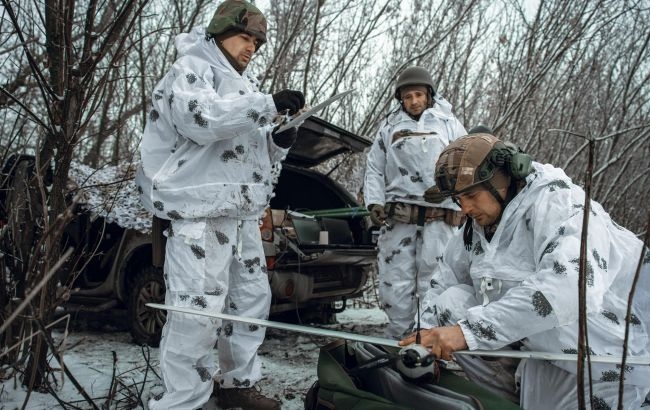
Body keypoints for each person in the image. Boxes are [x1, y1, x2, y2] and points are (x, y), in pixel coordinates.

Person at [135, 1, 305, 409]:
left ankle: (236, 386)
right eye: (245, 38)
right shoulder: (190, 69)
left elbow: (242, 149)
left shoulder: (240, 84)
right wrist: (268, 104)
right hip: (200, 213)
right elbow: (203, 120)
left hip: (240, 213)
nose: (252, 48)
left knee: (249, 304)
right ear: (219, 33)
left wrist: (276, 142)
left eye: (257, 43)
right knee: (197, 312)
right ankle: (184, 401)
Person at [400, 133, 650, 409]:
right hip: (545, 353)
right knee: (451, 301)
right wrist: (420, 338)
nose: (465, 208)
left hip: (610, 356)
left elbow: (570, 289)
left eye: (471, 195)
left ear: (502, 180)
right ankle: (502, 400)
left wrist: (466, 332)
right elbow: (443, 282)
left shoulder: (559, 203)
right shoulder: (476, 228)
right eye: (458, 200)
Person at [363, 66, 467, 339]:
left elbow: (466, 163)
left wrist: (448, 190)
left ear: (429, 95)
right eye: (408, 96)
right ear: (401, 99)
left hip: (440, 219)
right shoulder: (390, 127)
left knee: (435, 281)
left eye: (419, 94)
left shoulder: (449, 123)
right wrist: (374, 202)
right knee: (395, 283)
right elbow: (374, 167)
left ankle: (431, 341)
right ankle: (400, 340)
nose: (414, 101)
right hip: (399, 219)